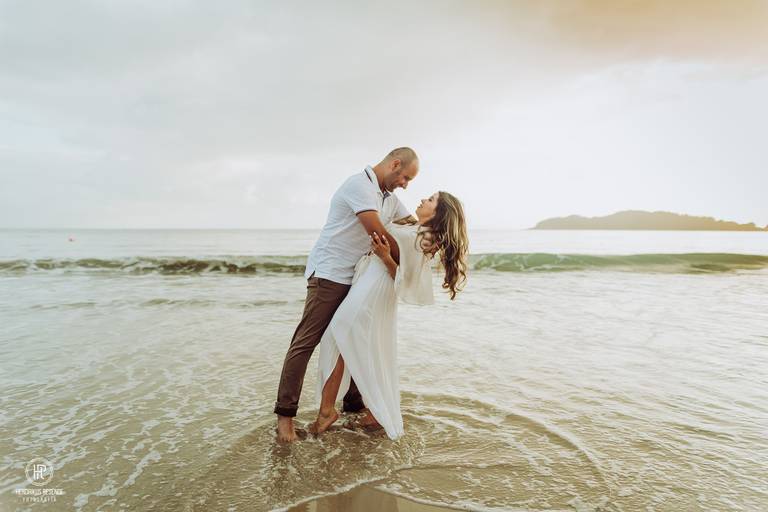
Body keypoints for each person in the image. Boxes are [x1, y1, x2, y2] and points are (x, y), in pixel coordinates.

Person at [274, 147, 420, 443]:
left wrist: (437, 239)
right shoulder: (359, 186)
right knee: (305, 343)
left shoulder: (388, 198)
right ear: (394, 165)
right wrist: (406, 261)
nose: (406, 184)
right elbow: (377, 233)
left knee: (355, 339)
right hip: (329, 274)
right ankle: (285, 419)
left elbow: (415, 226)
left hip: (356, 277)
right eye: (405, 177)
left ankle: (352, 407)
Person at [310, 191, 468, 440]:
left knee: (341, 335)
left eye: (430, 200)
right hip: (368, 282)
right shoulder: (416, 227)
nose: (423, 200)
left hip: (376, 289)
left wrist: (384, 257)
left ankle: (330, 412)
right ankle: (353, 411)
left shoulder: (427, 238)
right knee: (348, 342)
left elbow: (407, 281)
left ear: (439, 212)